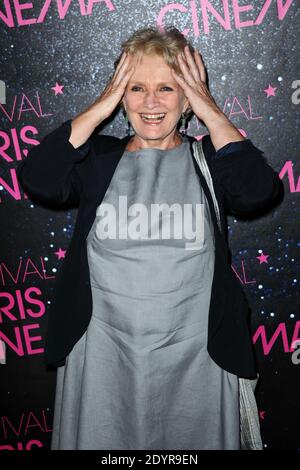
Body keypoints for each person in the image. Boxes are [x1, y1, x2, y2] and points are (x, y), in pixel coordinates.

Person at [17, 26, 282, 450]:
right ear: (122, 96)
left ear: (187, 99)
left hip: (197, 356)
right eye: (136, 88)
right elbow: (38, 178)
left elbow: (257, 192)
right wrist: (104, 102)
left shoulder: (210, 160)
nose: (152, 103)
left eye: (167, 88)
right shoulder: (98, 161)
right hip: (102, 356)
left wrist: (209, 108)